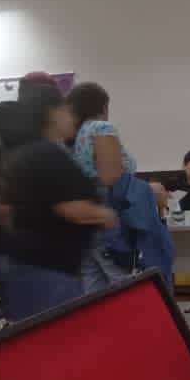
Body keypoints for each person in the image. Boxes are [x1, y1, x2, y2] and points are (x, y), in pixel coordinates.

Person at [0, 85, 116, 318]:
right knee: (63, 339)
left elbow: (4, 210)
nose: (72, 117)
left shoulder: (21, 154)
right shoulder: (48, 155)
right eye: (67, 110)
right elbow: (68, 207)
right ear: (52, 113)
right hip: (50, 272)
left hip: (26, 265)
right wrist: (105, 215)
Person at [0, 72, 61, 279]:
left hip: (3, 210)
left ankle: (8, 308)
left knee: (10, 273)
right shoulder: (49, 126)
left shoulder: (2, 120)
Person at [66, 81, 137, 291]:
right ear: (103, 107)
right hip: (110, 214)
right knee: (124, 288)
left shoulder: (73, 138)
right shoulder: (101, 128)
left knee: (94, 292)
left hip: (85, 219)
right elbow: (112, 177)